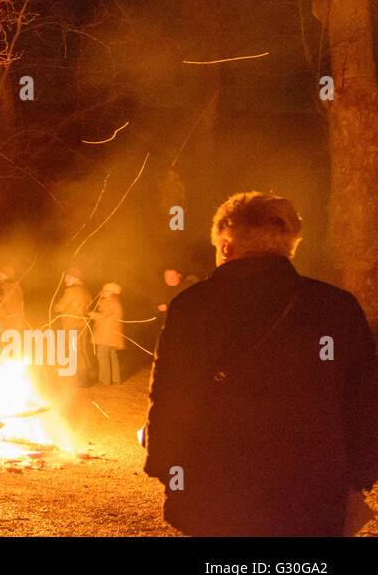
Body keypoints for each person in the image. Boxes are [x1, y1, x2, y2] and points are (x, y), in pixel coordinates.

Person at [144, 192, 378, 536]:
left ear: (225, 245)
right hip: (313, 488)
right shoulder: (335, 306)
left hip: (215, 486)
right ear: (290, 245)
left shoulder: (191, 308)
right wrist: (360, 472)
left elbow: (170, 397)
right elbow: (364, 397)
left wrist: (165, 467)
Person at [53, 269, 93, 386]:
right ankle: (84, 377)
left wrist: (56, 306)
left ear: (76, 278)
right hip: (83, 324)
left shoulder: (71, 291)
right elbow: (88, 305)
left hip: (72, 325)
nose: (66, 279)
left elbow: (61, 307)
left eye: (68, 277)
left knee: (76, 352)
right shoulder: (86, 291)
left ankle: (83, 380)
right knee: (81, 350)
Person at [89, 282, 125, 386]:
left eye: (107, 291)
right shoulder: (113, 301)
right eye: (103, 290)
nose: (104, 292)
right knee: (112, 356)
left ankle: (105, 379)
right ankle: (116, 379)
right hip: (112, 334)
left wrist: (90, 314)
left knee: (102, 355)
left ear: (113, 292)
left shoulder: (111, 302)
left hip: (107, 334)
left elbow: (104, 316)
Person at [0, 266, 26, 332]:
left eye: (1, 273)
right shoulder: (17, 286)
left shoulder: (6, 287)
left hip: (8, 323)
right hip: (17, 322)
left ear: (5, 275)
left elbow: (4, 305)